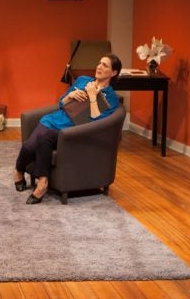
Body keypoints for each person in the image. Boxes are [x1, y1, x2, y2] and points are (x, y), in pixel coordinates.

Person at [14, 53, 123, 204]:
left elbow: (96, 123)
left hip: (71, 132)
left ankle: (42, 183)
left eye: (105, 65)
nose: (99, 67)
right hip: (53, 121)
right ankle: (19, 171)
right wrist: (70, 95)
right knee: (28, 147)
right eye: (99, 63)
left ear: (114, 72)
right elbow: (61, 103)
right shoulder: (83, 80)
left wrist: (92, 97)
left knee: (42, 139)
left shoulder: (110, 97)